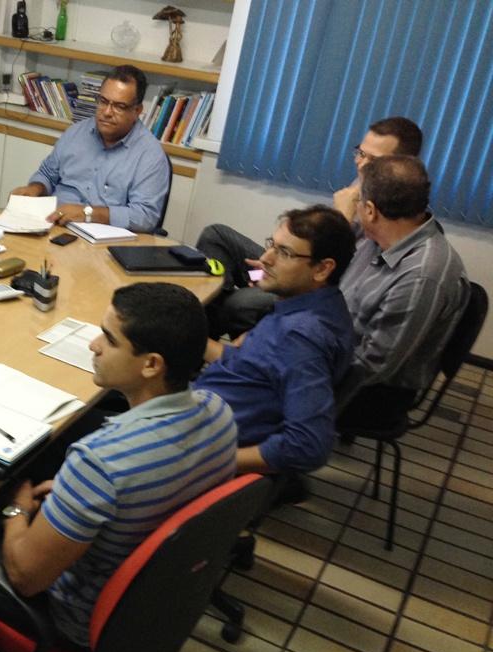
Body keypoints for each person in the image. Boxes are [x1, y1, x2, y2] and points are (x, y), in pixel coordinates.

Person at [0, 283, 237, 648]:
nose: (94, 345)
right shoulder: (219, 411)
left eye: (109, 339)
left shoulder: (100, 461)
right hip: (156, 591)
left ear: (151, 365)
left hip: (78, 620)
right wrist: (75, 494)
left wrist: (17, 509)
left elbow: (25, 578)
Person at [198, 116, 423, 338]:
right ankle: (204, 328)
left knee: (240, 303)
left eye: (373, 160)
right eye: (361, 153)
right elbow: (312, 243)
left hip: (318, 291)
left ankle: (201, 336)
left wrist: (342, 219)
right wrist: (276, 263)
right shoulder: (362, 184)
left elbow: (335, 278)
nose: (361, 164)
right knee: (216, 236)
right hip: (303, 266)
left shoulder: (394, 211)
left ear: (401, 165)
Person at [196, 206, 356, 474]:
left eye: (284, 253)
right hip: (202, 412)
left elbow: (307, 446)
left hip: (198, 443)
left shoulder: (300, 338)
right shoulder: (315, 306)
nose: (265, 258)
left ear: (322, 269)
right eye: (272, 244)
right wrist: (188, 338)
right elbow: (253, 367)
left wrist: (210, 462)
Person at [338, 155, 469, 415]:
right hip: (337, 349)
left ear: (370, 210)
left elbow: (372, 366)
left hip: (371, 390)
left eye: (358, 201)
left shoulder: (421, 276)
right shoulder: (381, 237)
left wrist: (303, 360)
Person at [9, 65, 170, 233]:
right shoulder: (76, 132)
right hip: (52, 225)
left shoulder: (150, 155)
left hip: (103, 238)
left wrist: (88, 214)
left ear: (137, 111)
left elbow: (145, 216)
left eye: (119, 106)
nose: (107, 112)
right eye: (103, 101)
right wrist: (35, 188)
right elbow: (47, 174)